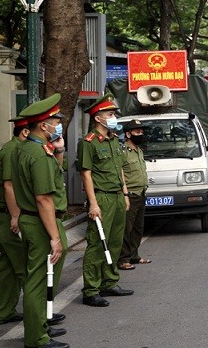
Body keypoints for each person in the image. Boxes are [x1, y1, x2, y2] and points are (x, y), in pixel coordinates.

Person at [10, 93, 70, 348]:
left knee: (41, 276)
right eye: (55, 121)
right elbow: (44, 199)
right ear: (43, 125)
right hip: (41, 222)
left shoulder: (25, 148)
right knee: (37, 281)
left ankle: (40, 327)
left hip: (33, 220)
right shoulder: (36, 154)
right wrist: (55, 237)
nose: (58, 125)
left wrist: (59, 151)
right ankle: (36, 337)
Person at [78, 93, 133, 308]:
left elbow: (119, 168)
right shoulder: (88, 142)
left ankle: (109, 282)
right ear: (98, 118)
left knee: (115, 242)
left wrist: (125, 193)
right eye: (110, 114)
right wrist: (93, 203)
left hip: (118, 197)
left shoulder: (113, 140)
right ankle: (91, 290)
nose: (113, 118)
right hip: (101, 197)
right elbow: (86, 173)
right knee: (97, 244)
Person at [0, 116, 29, 326]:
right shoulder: (14, 151)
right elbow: (9, 186)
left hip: (5, 215)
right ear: (25, 132)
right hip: (7, 216)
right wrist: (15, 216)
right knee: (24, 265)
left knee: (8, 266)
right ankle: (39, 318)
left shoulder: (15, 148)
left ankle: (3, 312)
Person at [117, 120, 150, 271]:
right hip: (129, 194)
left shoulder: (139, 150)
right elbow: (121, 173)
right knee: (126, 228)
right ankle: (123, 259)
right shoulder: (123, 151)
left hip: (141, 193)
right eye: (137, 132)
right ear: (128, 134)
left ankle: (134, 255)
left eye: (141, 132)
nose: (141, 134)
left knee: (138, 227)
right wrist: (124, 194)